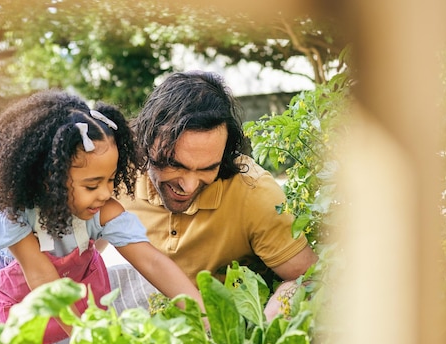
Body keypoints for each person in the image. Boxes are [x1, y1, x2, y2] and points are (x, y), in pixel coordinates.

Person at [0, 89, 205, 344]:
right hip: (26, 318)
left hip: (80, 315)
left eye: (111, 179)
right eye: (91, 186)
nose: (105, 193)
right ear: (49, 181)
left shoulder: (104, 210)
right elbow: (43, 278)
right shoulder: (15, 216)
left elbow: (153, 262)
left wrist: (202, 314)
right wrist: (85, 342)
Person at [115, 70, 318, 321]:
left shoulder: (254, 193)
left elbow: (304, 278)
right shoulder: (117, 177)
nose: (188, 186)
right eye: (174, 164)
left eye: (207, 169)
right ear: (146, 140)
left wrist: (261, 331)